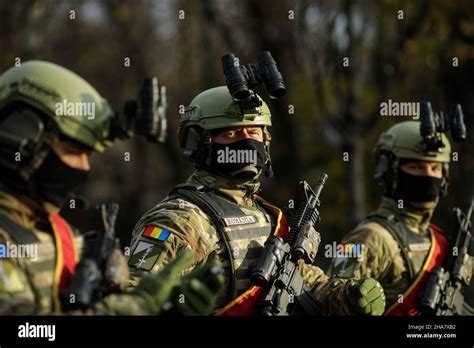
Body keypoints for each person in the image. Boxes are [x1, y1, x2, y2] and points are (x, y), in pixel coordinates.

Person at [128, 86, 386, 315]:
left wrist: (347, 296)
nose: (247, 141)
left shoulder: (268, 216)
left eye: (254, 131)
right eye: (231, 134)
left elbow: (306, 284)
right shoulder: (180, 220)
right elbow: (134, 300)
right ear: (200, 142)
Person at [0, 60, 224, 315]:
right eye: (73, 152)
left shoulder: (60, 234)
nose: (83, 167)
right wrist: (135, 308)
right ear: (18, 139)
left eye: (88, 155)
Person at [328, 120, 469, 315]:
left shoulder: (440, 240)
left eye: (435, 169)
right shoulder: (366, 237)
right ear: (390, 172)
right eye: (416, 167)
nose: (428, 176)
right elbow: (331, 301)